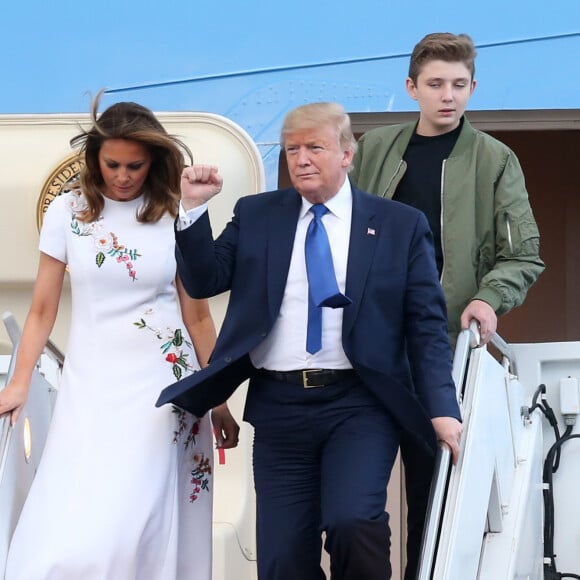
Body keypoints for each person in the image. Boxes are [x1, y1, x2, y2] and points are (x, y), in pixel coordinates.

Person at [156, 102, 463, 579]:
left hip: (360, 403)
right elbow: (203, 280)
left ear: (347, 154)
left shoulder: (400, 225)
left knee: (353, 521)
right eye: (292, 149)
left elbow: (426, 325)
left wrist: (443, 408)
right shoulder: (257, 214)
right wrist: (193, 209)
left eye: (315, 148)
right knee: (282, 561)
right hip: (278, 406)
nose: (301, 158)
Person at [0, 95, 239, 579]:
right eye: (113, 164)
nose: (123, 175)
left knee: (142, 518)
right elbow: (43, 308)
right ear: (94, 158)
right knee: (81, 518)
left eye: (135, 165)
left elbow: (197, 318)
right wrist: (18, 382)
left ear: (153, 162)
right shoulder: (67, 212)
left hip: (165, 387)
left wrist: (218, 399)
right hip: (91, 385)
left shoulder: (174, 212)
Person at [349, 32, 545, 579]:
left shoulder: (495, 159)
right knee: (354, 506)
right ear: (411, 88)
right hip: (364, 348)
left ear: (473, 87)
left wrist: (488, 297)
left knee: (434, 503)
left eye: (459, 85)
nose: (448, 96)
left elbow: (523, 255)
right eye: (435, 84)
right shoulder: (374, 149)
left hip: (438, 354)